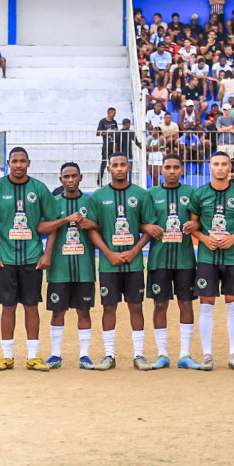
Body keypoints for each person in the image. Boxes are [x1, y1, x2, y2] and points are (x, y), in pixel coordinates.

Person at [0, 147, 59, 372]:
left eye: (22, 161)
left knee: (31, 306)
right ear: (8, 163)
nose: (18, 165)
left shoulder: (38, 189)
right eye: (14, 161)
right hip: (5, 259)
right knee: (8, 307)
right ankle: (7, 356)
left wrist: (47, 253)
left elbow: (53, 224)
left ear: (28, 163)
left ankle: (33, 356)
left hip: (31, 257)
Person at [87, 153, 156, 370]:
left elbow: (149, 227)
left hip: (134, 264)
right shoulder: (98, 197)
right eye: (114, 165)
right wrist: (108, 253)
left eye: (122, 165)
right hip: (109, 264)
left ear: (129, 167)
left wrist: (135, 251)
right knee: (109, 307)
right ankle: (109, 355)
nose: (118, 168)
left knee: (136, 307)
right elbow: (92, 229)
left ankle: (139, 355)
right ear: (108, 169)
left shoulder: (141, 195)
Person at [188, 151, 234, 372]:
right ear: (209, 167)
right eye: (216, 164)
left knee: (233, 304)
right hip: (207, 257)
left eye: (224, 164)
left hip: (233, 257)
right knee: (206, 304)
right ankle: (207, 355)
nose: (220, 168)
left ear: (230, 168)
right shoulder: (200, 194)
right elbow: (193, 226)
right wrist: (204, 238)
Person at [142, 155, 203, 369]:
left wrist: (194, 225)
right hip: (159, 260)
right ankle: (162, 354)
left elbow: (200, 220)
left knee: (185, 303)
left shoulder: (191, 193)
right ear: (161, 170)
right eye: (167, 167)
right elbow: (142, 222)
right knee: (160, 304)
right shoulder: (151, 194)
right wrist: (147, 228)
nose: (171, 171)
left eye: (176, 167)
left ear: (182, 170)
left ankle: (185, 354)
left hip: (185, 260)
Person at [39, 162, 100, 370]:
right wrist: (47, 255)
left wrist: (91, 224)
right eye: (66, 177)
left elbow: (101, 226)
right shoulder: (53, 202)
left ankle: (84, 356)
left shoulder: (90, 202)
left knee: (84, 311)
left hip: (84, 268)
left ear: (81, 178)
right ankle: (55, 354)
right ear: (61, 180)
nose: (70, 180)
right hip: (59, 268)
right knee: (58, 312)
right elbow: (45, 228)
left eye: (74, 176)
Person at [96, 108, 122, 186]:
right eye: (113, 113)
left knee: (114, 163)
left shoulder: (114, 122)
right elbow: (97, 133)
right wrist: (108, 133)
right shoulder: (103, 121)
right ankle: (99, 181)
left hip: (114, 144)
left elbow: (117, 132)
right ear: (109, 113)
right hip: (106, 144)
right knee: (104, 163)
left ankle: (115, 181)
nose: (114, 115)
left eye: (115, 113)